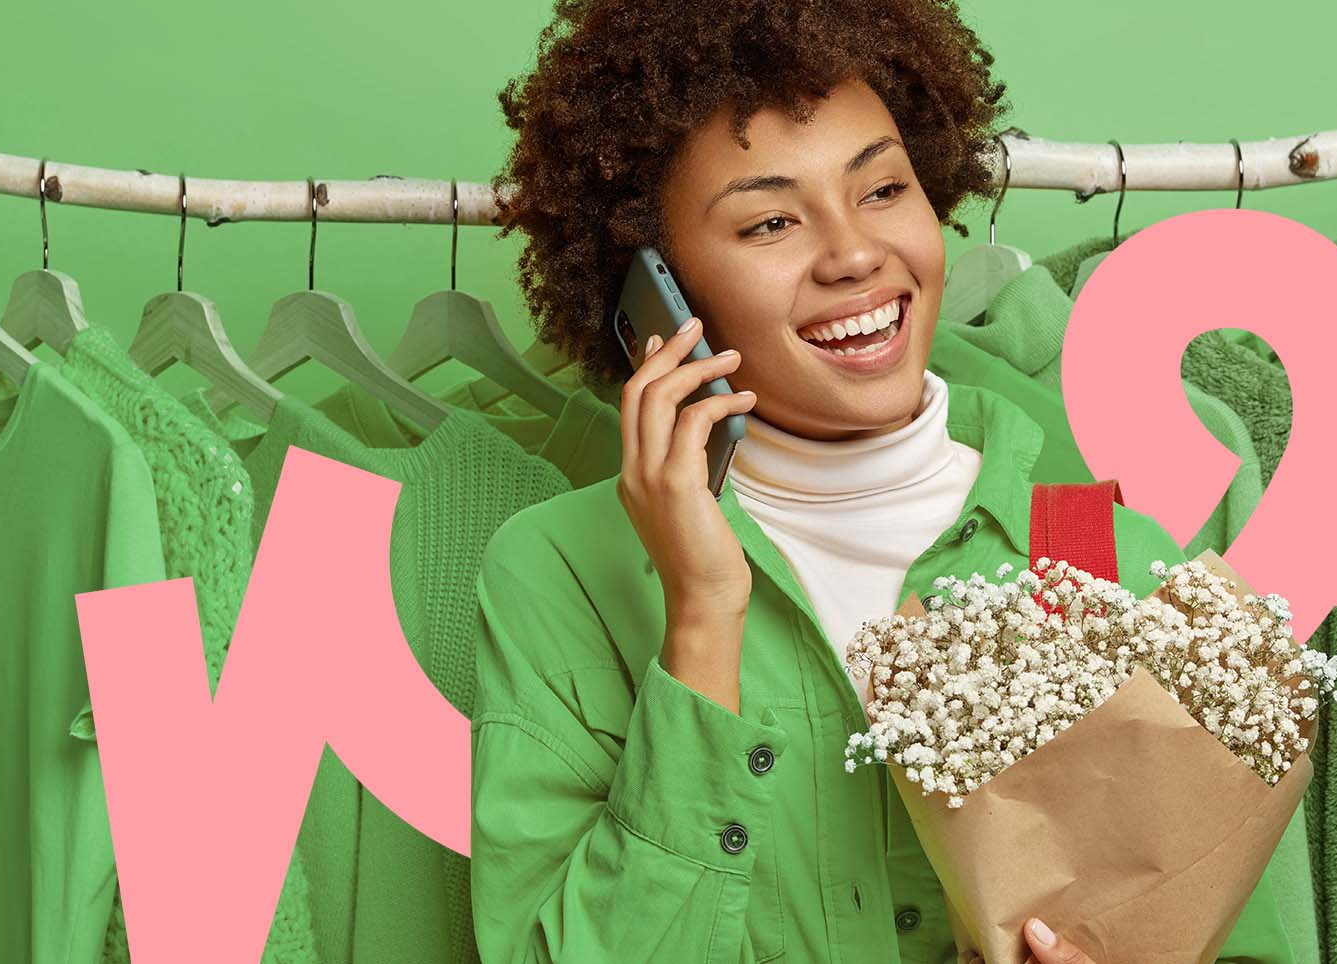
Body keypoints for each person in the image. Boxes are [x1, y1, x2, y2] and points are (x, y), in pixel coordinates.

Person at [470, 2, 1189, 961]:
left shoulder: (1110, 560)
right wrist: (702, 614)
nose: (854, 255)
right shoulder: (555, 574)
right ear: (656, 288)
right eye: (770, 221)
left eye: (884, 189)